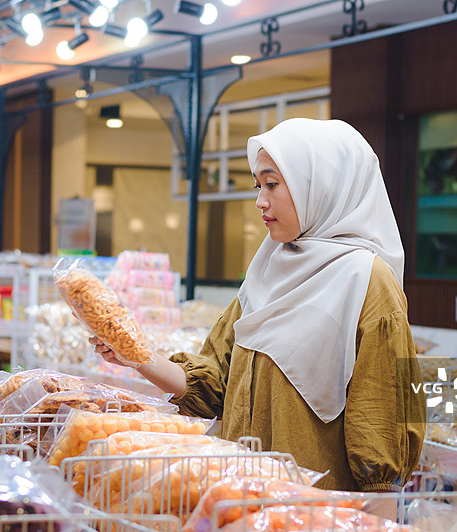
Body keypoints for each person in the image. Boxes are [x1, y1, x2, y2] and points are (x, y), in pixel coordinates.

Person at [91, 118, 426, 493]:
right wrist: (136, 356)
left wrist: (376, 515)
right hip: (239, 503)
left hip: (312, 511)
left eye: (272, 184)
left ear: (320, 186)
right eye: (258, 185)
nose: (260, 201)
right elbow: (215, 384)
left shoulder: (366, 281)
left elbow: (380, 424)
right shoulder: (266, 270)